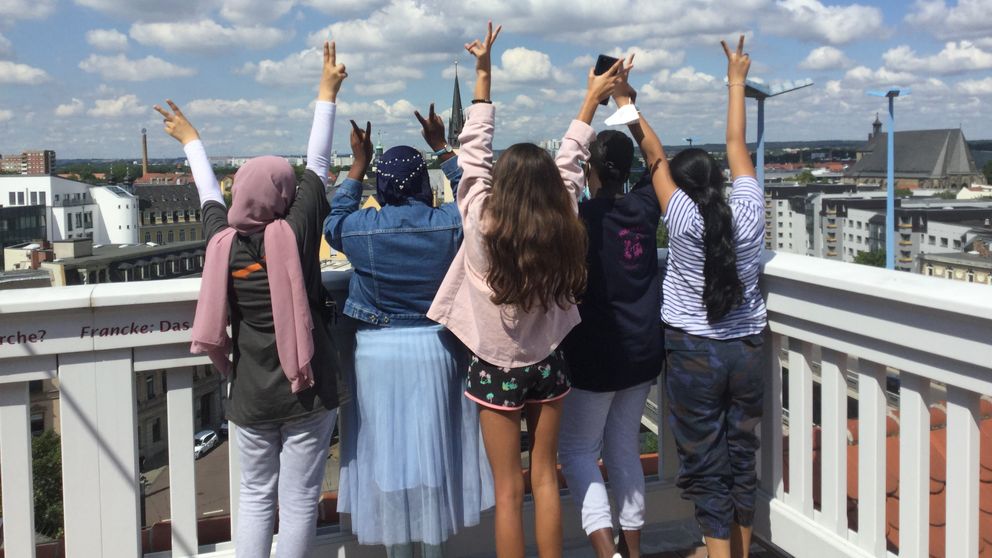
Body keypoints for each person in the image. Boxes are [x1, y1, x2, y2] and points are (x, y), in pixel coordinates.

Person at [427, 22, 624, 558]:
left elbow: (472, 154)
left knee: (508, 491)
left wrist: (483, 70)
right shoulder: (562, 223)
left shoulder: (480, 220)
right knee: (544, 479)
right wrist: (590, 96)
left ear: (502, 185)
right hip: (548, 363)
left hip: (494, 366)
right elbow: (571, 163)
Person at [153, 41, 347, 558]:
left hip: (250, 394)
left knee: (256, 499)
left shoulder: (223, 241)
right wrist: (327, 92)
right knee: (301, 500)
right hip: (308, 388)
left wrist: (192, 141)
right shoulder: (297, 232)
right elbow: (319, 165)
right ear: (282, 199)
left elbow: (208, 196)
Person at [616, 37, 766, 558]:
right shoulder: (749, 211)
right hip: (747, 346)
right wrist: (736, 81)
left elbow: (651, 153)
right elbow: (736, 146)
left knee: (705, 462)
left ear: (681, 187)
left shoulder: (680, 218)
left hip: (694, 352)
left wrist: (624, 102)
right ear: (722, 182)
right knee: (742, 456)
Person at [323, 105, 493, 558]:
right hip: (435, 349)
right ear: (421, 183)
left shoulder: (361, 229)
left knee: (391, 463)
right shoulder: (447, 225)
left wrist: (357, 165)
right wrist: (443, 148)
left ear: (382, 184)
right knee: (431, 458)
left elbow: (333, 222)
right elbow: (474, 203)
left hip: (376, 354)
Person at [558, 78, 664, 557]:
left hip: (595, 354)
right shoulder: (643, 206)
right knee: (623, 445)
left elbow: (560, 192)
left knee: (579, 451)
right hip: (643, 349)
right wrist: (628, 106)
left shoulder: (578, 219)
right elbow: (657, 162)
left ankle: (607, 552)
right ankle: (633, 549)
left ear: (589, 168)